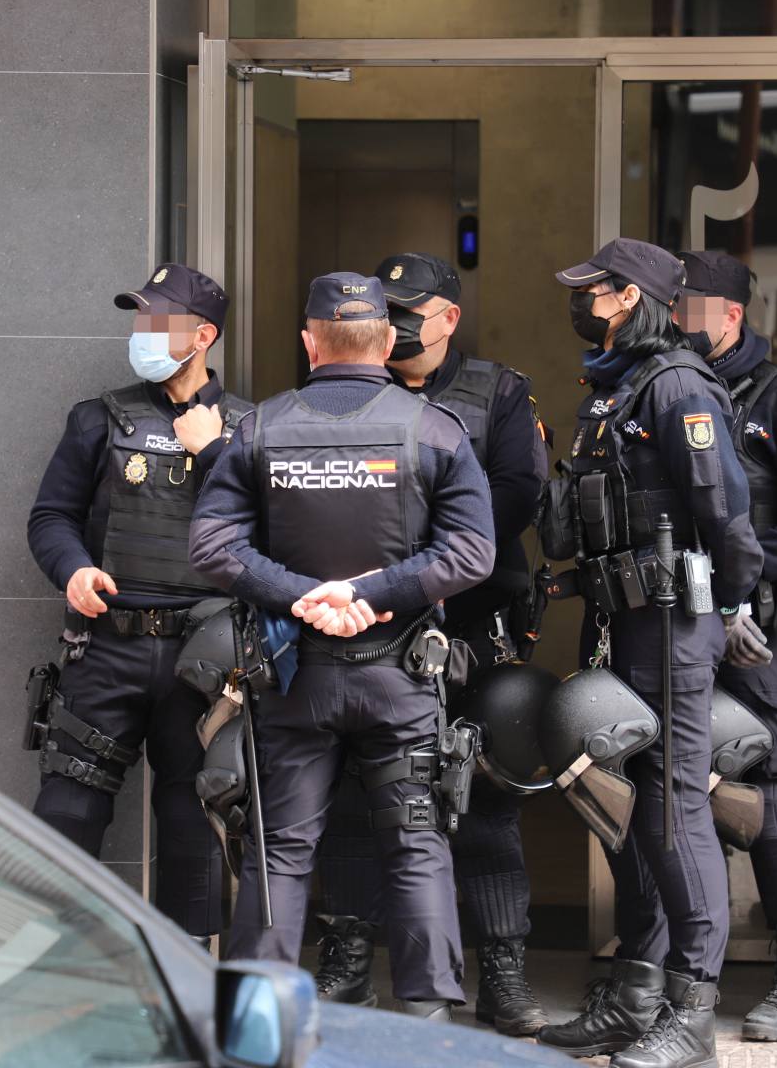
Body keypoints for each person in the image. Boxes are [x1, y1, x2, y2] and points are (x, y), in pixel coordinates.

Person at [190, 271, 496, 1020]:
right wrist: (370, 596)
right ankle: (426, 1016)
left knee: (280, 852)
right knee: (416, 844)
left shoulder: (259, 428)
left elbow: (212, 547)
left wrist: (300, 595)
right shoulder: (433, 429)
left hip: (297, 678)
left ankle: (257, 1023)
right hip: (398, 678)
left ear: (308, 342)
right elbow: (472, 554)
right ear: (389, 342)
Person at [534, 239, 762, 1068]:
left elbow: (725, 509)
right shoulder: (620, 386)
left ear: (627, 296)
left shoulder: (675, 384)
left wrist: (732, 602)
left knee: (673, 805)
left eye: (588, 289)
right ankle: (637, 992)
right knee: (626, 804)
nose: (578, 301)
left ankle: (693, 1014)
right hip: (623, 616)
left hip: (672, 618)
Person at [312, 253, 551, 1034]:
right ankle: (347, 958)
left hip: (470, 628)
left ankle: (503, 972)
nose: (400, 323)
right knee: (355, 795)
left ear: (449, 316)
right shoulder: (340, 396)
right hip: (371, 632)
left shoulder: (500, 394)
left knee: (479, 797)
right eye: (389, 309)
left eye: (413, 309)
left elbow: (515, 495)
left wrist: (412, 559)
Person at [25, 263, 250, 942]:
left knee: (195, 815)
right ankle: (48, 954)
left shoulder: (247, 428)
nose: (143, 332)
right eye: (139, 319)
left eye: (159, 320)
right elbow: (51, 516)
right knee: (68, 802)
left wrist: (212, 454)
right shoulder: (99, 419)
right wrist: (73, 570)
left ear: (202, 334)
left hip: (204, 659)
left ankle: (187, 965)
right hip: (109, 645)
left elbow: (265, 531)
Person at [674, 249, 777, 1041]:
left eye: (689, 309)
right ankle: (673, 973)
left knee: (776, 790)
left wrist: (740, 580)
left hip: (755, 633)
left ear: (730, 315)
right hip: (675, 624)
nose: (676, 322)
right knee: (673, 781)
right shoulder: (668, 389)